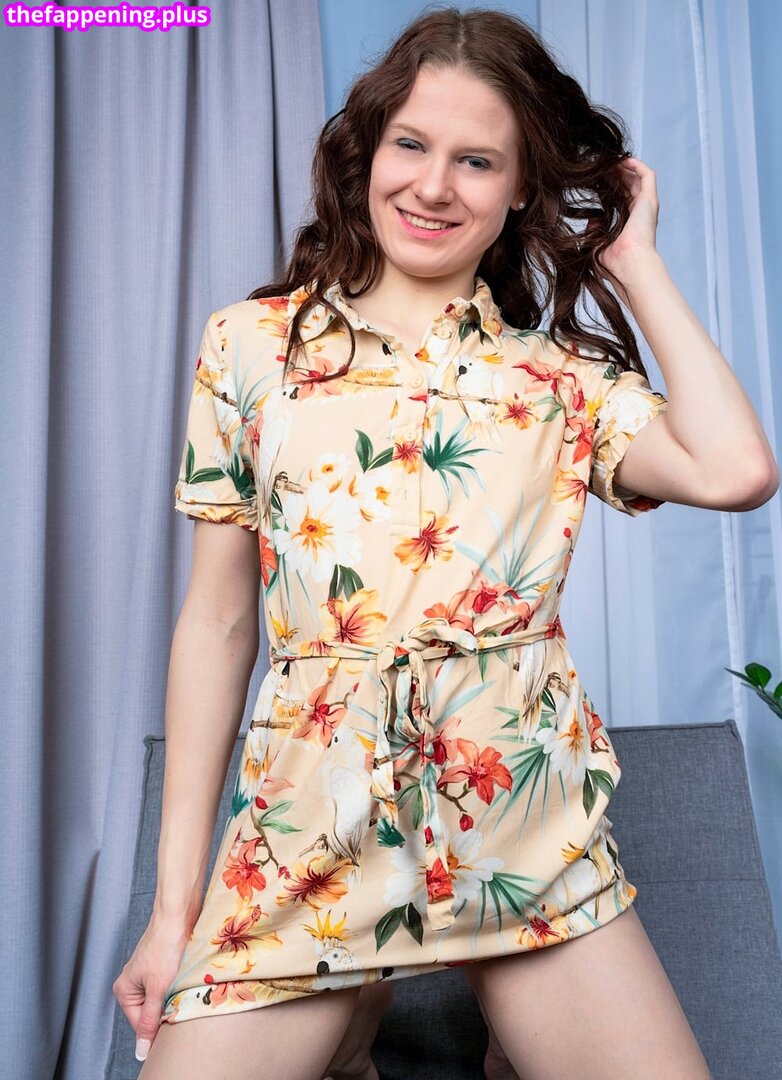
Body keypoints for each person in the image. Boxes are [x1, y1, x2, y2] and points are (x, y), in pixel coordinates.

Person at [112, 6, 778, 1079]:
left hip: (521, 832)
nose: (432, 186)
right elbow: (219, 622)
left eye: (477, 161)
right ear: (367, 152)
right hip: (306, 836)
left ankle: (413, 1025)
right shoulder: (251, 347)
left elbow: (734, 471)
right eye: (411, 145)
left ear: (520, 188)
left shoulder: (555, 378)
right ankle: (355, 1012)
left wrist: (634, 262)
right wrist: (171, 914)